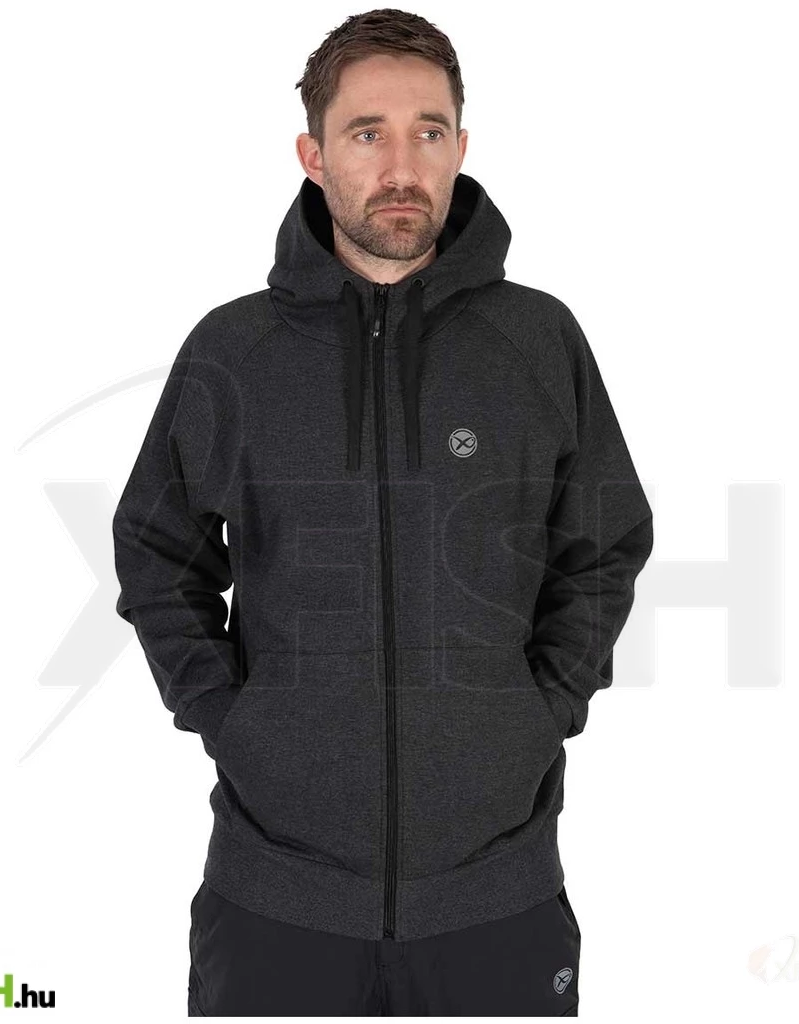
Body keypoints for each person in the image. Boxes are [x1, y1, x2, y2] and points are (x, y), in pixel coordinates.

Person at [112, 8, 654, 1016]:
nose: (403, 166)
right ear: (313, 155)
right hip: (273, 897)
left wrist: (541, 710)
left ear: (461, 146)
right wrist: (231, 720)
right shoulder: (234, 353)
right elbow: (155, 550)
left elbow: (605, 542)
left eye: (428, 131)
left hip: (498, 896)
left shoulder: (538, 341)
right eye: (368, 133)